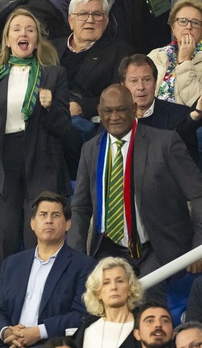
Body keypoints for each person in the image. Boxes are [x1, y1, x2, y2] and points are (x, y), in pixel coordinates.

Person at [0, 7, 71, 266]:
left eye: (30, 30)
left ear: (37, 40)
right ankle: (4, 290)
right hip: (1, 165)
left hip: (41, 162)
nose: (23, 34)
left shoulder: (54, 75)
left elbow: (64, 128)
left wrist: (49, 107)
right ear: (7, 40)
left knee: (39, 239)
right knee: (2, 238)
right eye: (17, 29)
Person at [68, 84, 202, 301]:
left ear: (133, 109)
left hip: (158, 246)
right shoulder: (90, 149)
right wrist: (75, 256)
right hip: (111, 248)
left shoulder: (165, 143)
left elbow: (198, 194)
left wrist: (198, 247)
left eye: (121, 110)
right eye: (108, 111)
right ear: (99, 112)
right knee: (97, 299)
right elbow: (81, 207)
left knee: (145, 294)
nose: (114, 117)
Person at [0, 192, 95, 347]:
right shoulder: (12, 264)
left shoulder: (84, 266)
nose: (49, 220)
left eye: (56, 215)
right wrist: (7, 332)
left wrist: (39, 332)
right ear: (32, 223)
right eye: (43, 215)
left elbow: (81, 315)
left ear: (67, 224)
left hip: (51, 344)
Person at [52, 0, 135, 141]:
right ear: (71, 20)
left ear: (106, 21)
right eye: (83, 14)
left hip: (87, 126)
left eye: (97, 14)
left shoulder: (120, 52)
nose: (90, 20)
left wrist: (82, 107)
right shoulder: (51, 48)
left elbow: (120, 96)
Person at [119, 53, 202, 163]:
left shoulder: (180, 116)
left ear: (155, 82)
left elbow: (188, 165)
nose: (141, 87)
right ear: (123, 86)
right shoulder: (115, 118)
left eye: (146, 80)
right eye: (134, 81)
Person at [74, 257, 143, 348]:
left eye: (119, 281)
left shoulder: (144, 326)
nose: (113, 287)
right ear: (97, 292)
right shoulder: (87, 329)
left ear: (130, 288)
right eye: (106, 283)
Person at [147, 0, 202, 107]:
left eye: (195, 23)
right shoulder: (156, 56)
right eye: (183, 21)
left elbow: (197, 105)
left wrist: (185, 61)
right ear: (173, 27)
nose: (189, 26)